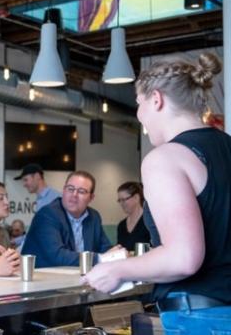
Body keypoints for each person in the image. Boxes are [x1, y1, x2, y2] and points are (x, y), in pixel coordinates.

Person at [83, 53, 231, 332]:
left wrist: (116, 270)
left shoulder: (166, 158)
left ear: (156, 99)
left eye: (139, 104)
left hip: (200, 317)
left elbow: (183, 257)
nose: (139, 116)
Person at [21, 170, 112, 268]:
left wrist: (117, 254)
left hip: (79, 277)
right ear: (63, 190)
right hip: (44, 279)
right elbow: (58, 256)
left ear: (91, 197)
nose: (74, 195)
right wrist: (100, 258)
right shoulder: (47, 214)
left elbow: (105, 249)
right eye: (70, 189)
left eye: (81, 191)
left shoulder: (93, 216)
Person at [115, 181, 150, 251]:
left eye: (124, 200)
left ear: (136, 198)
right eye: (120, 200)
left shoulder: (150, 222)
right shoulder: (121, 226)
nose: (121, 203)